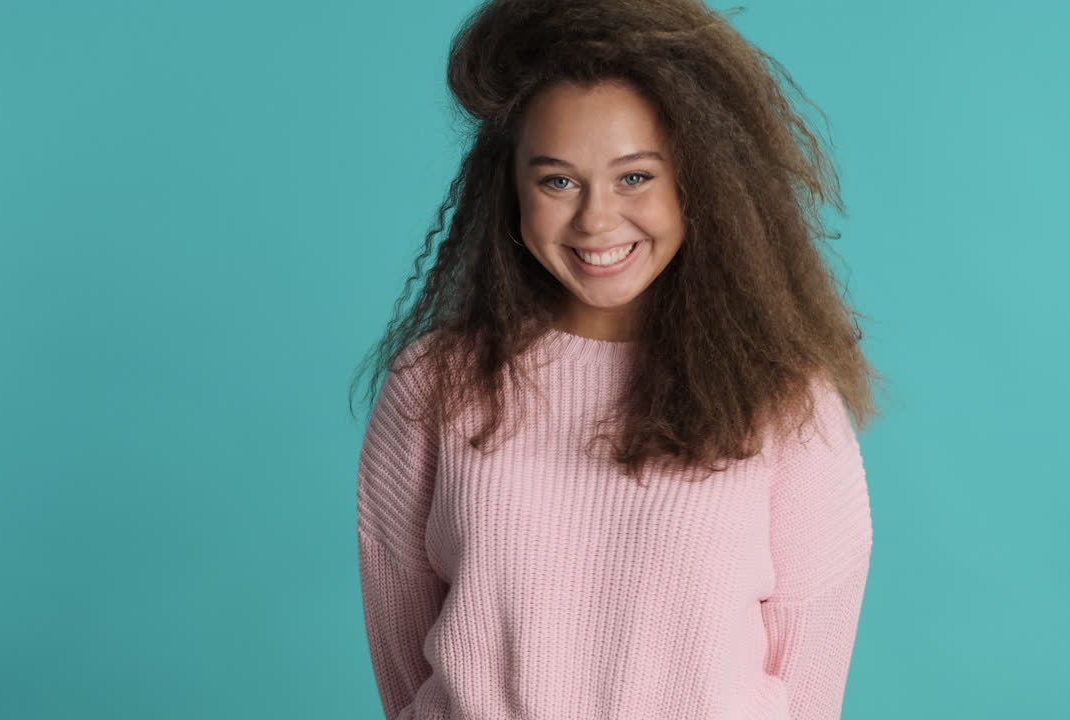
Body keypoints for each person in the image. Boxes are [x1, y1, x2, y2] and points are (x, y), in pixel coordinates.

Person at [349, 0, 887, 717]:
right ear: (510, 189)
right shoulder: (433, 386)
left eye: (635, 177)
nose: (596, 219)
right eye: (558, 181)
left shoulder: (788, 404)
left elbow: (809, 689)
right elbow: (403, 661)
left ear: (699, 184)